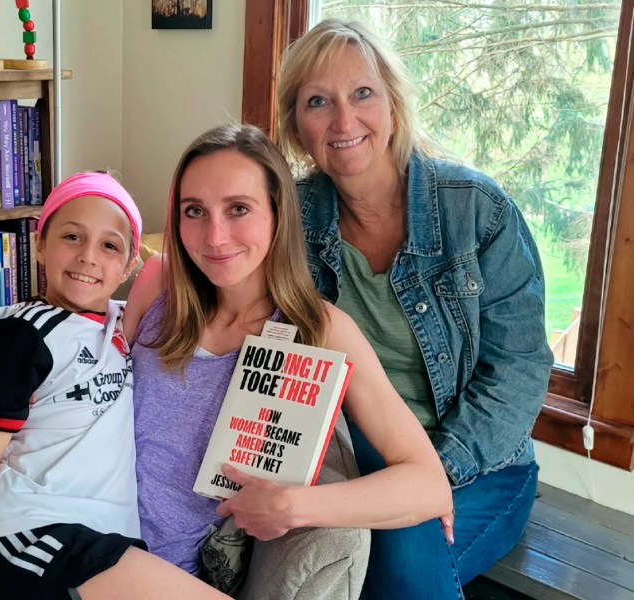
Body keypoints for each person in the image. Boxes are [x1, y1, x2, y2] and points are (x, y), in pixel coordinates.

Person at [277, 18, 555, 598]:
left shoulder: (478, 211)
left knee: (397, 565)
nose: (344, 121)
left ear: (394, 106)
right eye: (318, 102)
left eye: (362, 94)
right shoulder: (290, 223)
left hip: (480, 460)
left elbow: (519, 373)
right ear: (298, 128)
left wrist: (430, 477)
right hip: (352, 458)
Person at [124, 124, 452, 594]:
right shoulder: (159, 283)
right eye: (194, 211)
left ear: (279, 214)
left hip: (174, 575)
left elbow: (427, 484)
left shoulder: (320, 330)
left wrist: (293, 507)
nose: (215, 237)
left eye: (239, 209)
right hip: (84, 526)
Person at [0, 172, 229, 600]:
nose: (88, 256)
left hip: (107, 548)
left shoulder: (125, 325)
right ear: (39, 245)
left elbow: (168, 267)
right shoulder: (20, 334)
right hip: (33, 538)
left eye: (109, 246)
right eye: (72, 236)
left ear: (130, 266)